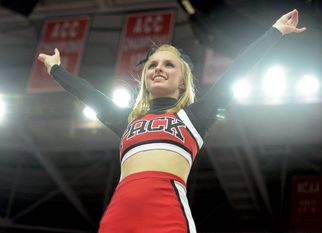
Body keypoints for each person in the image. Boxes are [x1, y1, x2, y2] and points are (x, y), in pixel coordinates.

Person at [37, 9, 306, 233]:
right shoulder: (127, 120)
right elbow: (89, 94)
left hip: (166, 213)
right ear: (144, 79)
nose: (158, 69)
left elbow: (236, 72)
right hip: (118, 215)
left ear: (182, 81)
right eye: (152, 65)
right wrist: (56, 69)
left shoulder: (194, 117)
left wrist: (275, 32)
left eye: (168, 65)